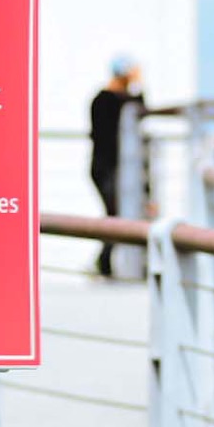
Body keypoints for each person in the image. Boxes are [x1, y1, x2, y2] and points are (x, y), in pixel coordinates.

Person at [88, 55, 143, 277]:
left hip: (120, 169)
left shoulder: (123, 99)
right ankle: (104, 263)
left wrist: (137, 85)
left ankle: (106, 263)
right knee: (115, 213)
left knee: (117, 213)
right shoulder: (103, 100)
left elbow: (140, 108)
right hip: (105, 168)